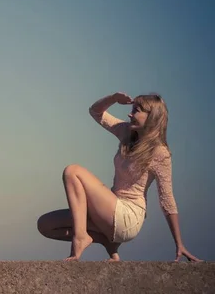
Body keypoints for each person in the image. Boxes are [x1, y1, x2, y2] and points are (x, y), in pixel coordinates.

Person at [36, 92, 201, 262]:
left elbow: (167, 200)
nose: (130, 114)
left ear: (152, 116)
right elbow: (95, 112)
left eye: (136, 110)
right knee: (45, 225)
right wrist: (113, 98)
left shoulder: (160, 153)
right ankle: (106, 241)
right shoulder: (126, 132)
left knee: (72, 171)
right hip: (110, 209)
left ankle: (80, 238)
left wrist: (179, 244)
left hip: (127, 216)